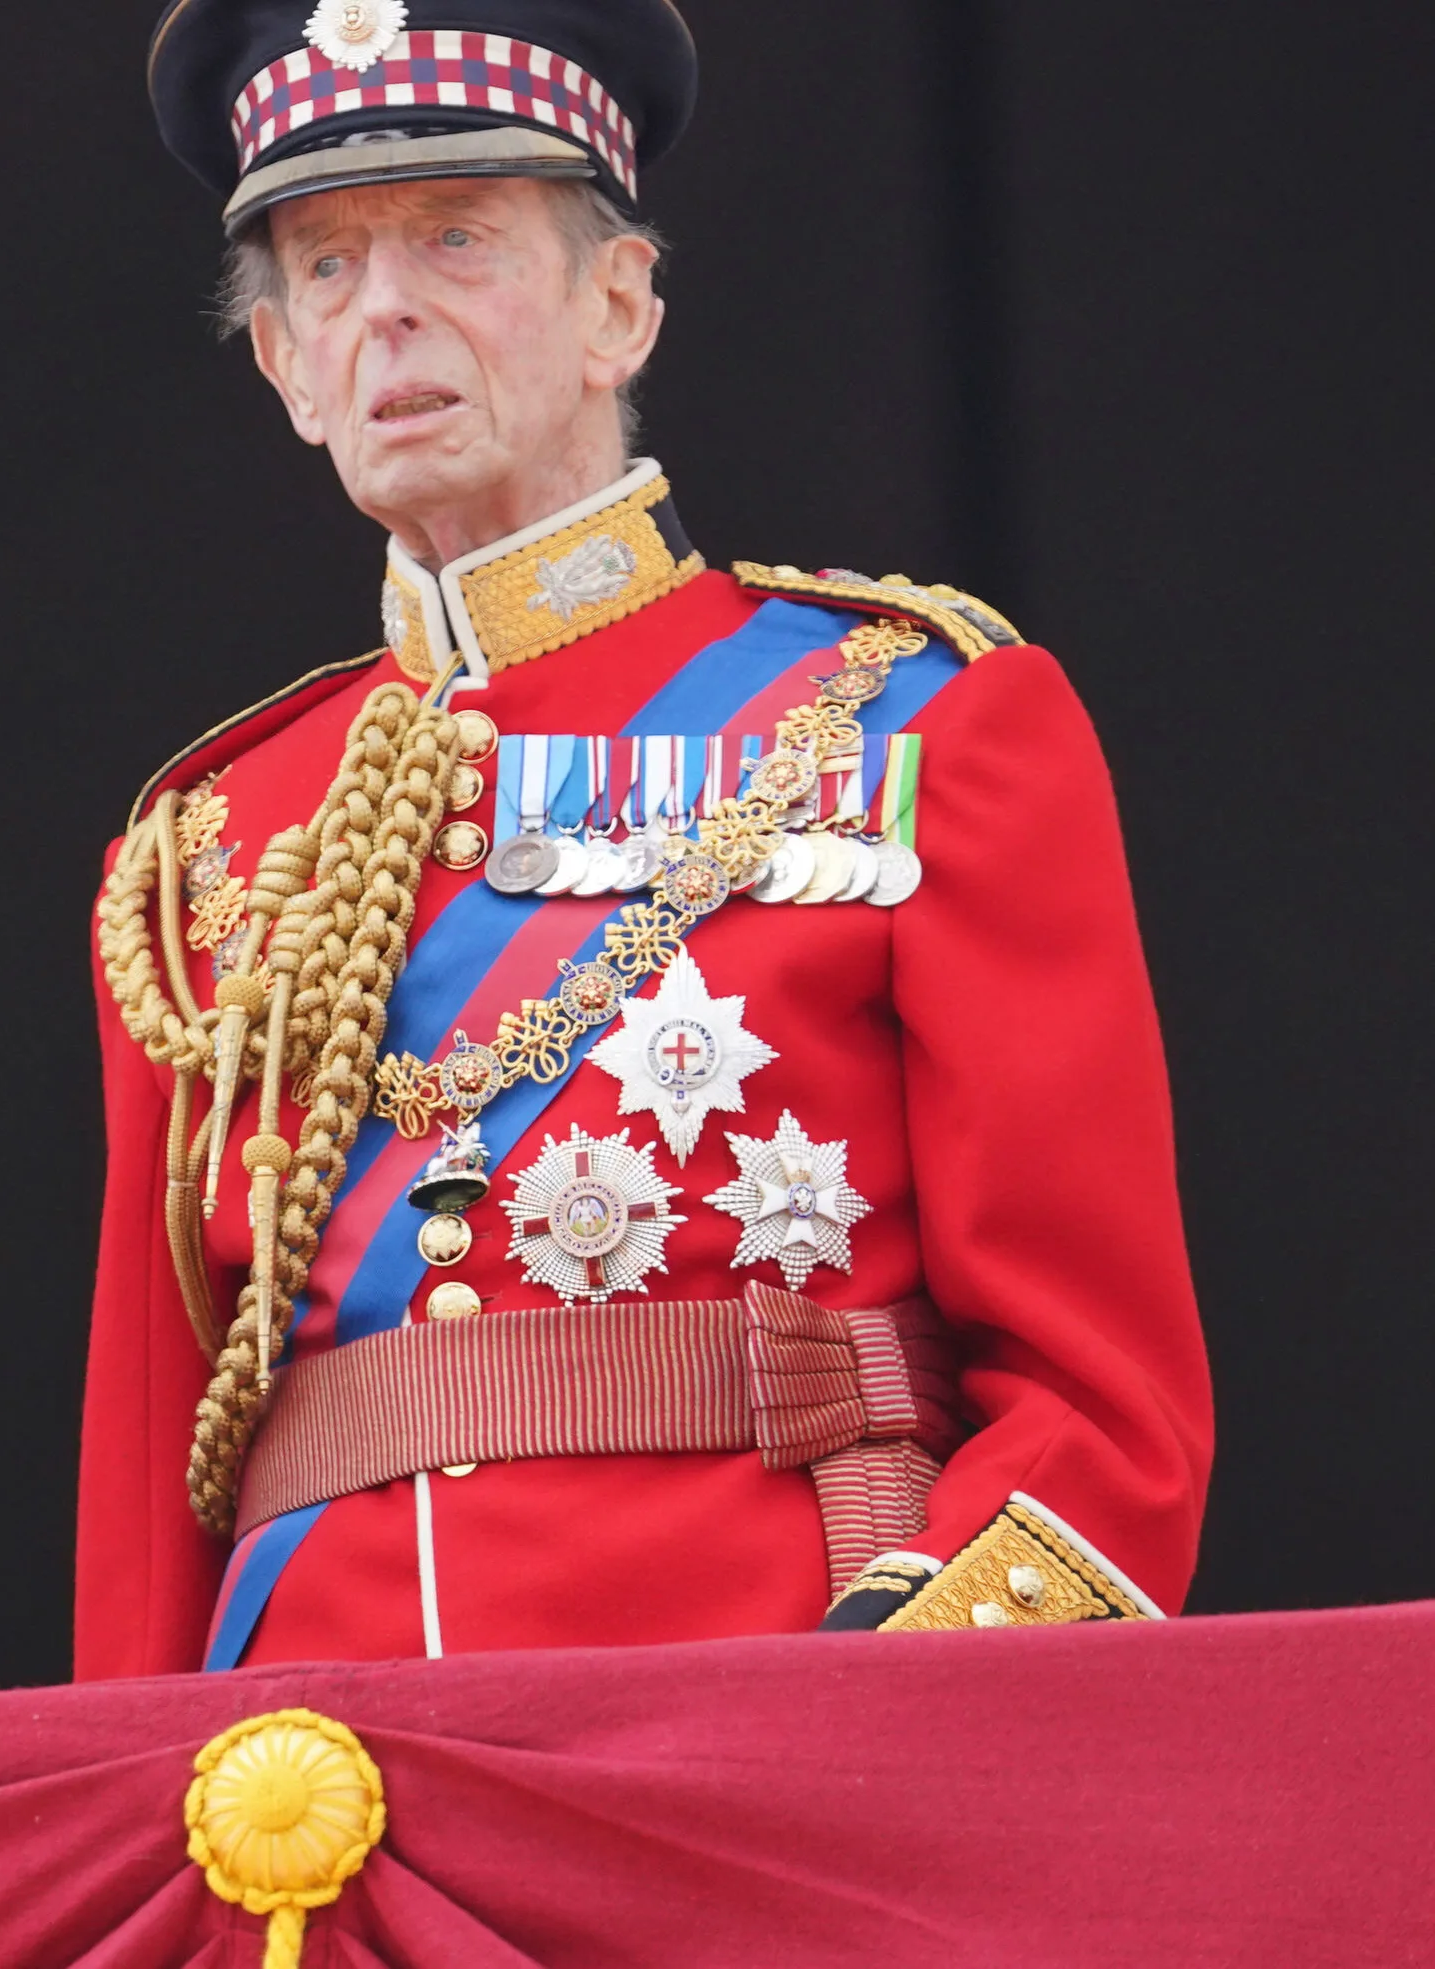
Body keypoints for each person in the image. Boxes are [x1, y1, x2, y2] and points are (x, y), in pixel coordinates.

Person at [76, 1, 1210, 1677]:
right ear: (286, 371)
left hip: (772, 1747)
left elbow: (1107, 1414)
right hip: (319, 1780)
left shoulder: (914, 721)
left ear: (618, 305)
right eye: (323, 268)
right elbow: (155, 1486)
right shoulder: (209, 842)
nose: (384, 308)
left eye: (455, 238)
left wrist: (891, 1711)